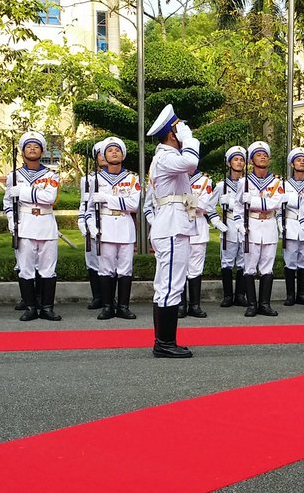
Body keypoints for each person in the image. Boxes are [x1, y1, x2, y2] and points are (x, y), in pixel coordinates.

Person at [143, 104, 199, 357]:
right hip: (172, 226)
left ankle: (163, 341)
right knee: (169, 285)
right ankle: (164, 343)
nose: (185, 131)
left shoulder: (164, 157)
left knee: (167, 284)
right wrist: (190, 139)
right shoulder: (166, 156)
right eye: (180, 129)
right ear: (171, 134)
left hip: (173, 222)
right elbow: (191, 162)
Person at [5, 131, 63, 322]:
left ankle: (47, 307)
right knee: (25, 268)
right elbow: (7, 202)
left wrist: (23, 191)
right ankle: (30, 307)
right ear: (22, 152)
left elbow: (49, 198)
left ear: (42, 151)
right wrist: (10, 220)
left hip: (46, 224)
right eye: (28, 146)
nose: (32, 149)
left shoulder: (51, 175)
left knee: (48, 268)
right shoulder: (13, 176)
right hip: (24, 224)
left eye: (36, 146)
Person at [86, 136, 142, 322]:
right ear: (103, 155)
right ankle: (108, 306)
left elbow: (134, 204)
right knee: (105, 268)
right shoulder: (94, 179)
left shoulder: (132, 178)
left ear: (123, 154)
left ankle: (123, 307)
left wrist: (107, 199)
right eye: (110, 150)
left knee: (125, 268)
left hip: (125, 227)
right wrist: (91, 226)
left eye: (117, 149)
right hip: (105, 226)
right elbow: (88, 208)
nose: (114, 152)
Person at [235, 141, 294, 317]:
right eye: (258, 155)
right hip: (251, 225)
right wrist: (239, 225)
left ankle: (265, 304)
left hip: (269, 224)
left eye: (265, 155)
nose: (262, 157)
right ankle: (252, 304)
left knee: (267, 266)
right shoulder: (244, 182)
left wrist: (253, 201)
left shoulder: (277, 182)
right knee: (250, 266)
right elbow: (238, 206)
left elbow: (278, 202)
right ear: (251, 160)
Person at [183, 159, 228, 319]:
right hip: (178, 226)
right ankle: (180, 305)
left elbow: (203, 205)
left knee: (195, 268)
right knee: (179, 268)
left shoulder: (205, 180)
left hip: (197, 225)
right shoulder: (174, 177)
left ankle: (194, 305)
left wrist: (180, 201)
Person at [78, 139, 108, 310]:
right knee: (93, 260)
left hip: (109, 221)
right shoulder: (87, 179)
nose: (103, 157)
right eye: (100, 154)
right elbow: (84, 202)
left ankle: (110, 298)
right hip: (92, 220)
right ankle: (97, 296)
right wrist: (83, 221)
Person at [217, 146, 248, 308]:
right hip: (228, 225)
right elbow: (208, 207)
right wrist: (217, 223)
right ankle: (228, 295)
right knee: (227, 262)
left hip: (245, 225)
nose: (239, 162)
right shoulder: (222, 185)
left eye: (242, 159)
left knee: (243, 261)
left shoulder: (248, 184)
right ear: (229, 163)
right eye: (236, 159)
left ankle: (240, 295)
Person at [282, 147, 304, 307]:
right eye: (298, 160)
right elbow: (280, 207)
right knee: (290, 260)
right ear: (292, 164)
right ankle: (290, 295)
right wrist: (280, 226)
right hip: (291, 224)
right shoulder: (284, 184)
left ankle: (302, 294)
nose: (302, 162)